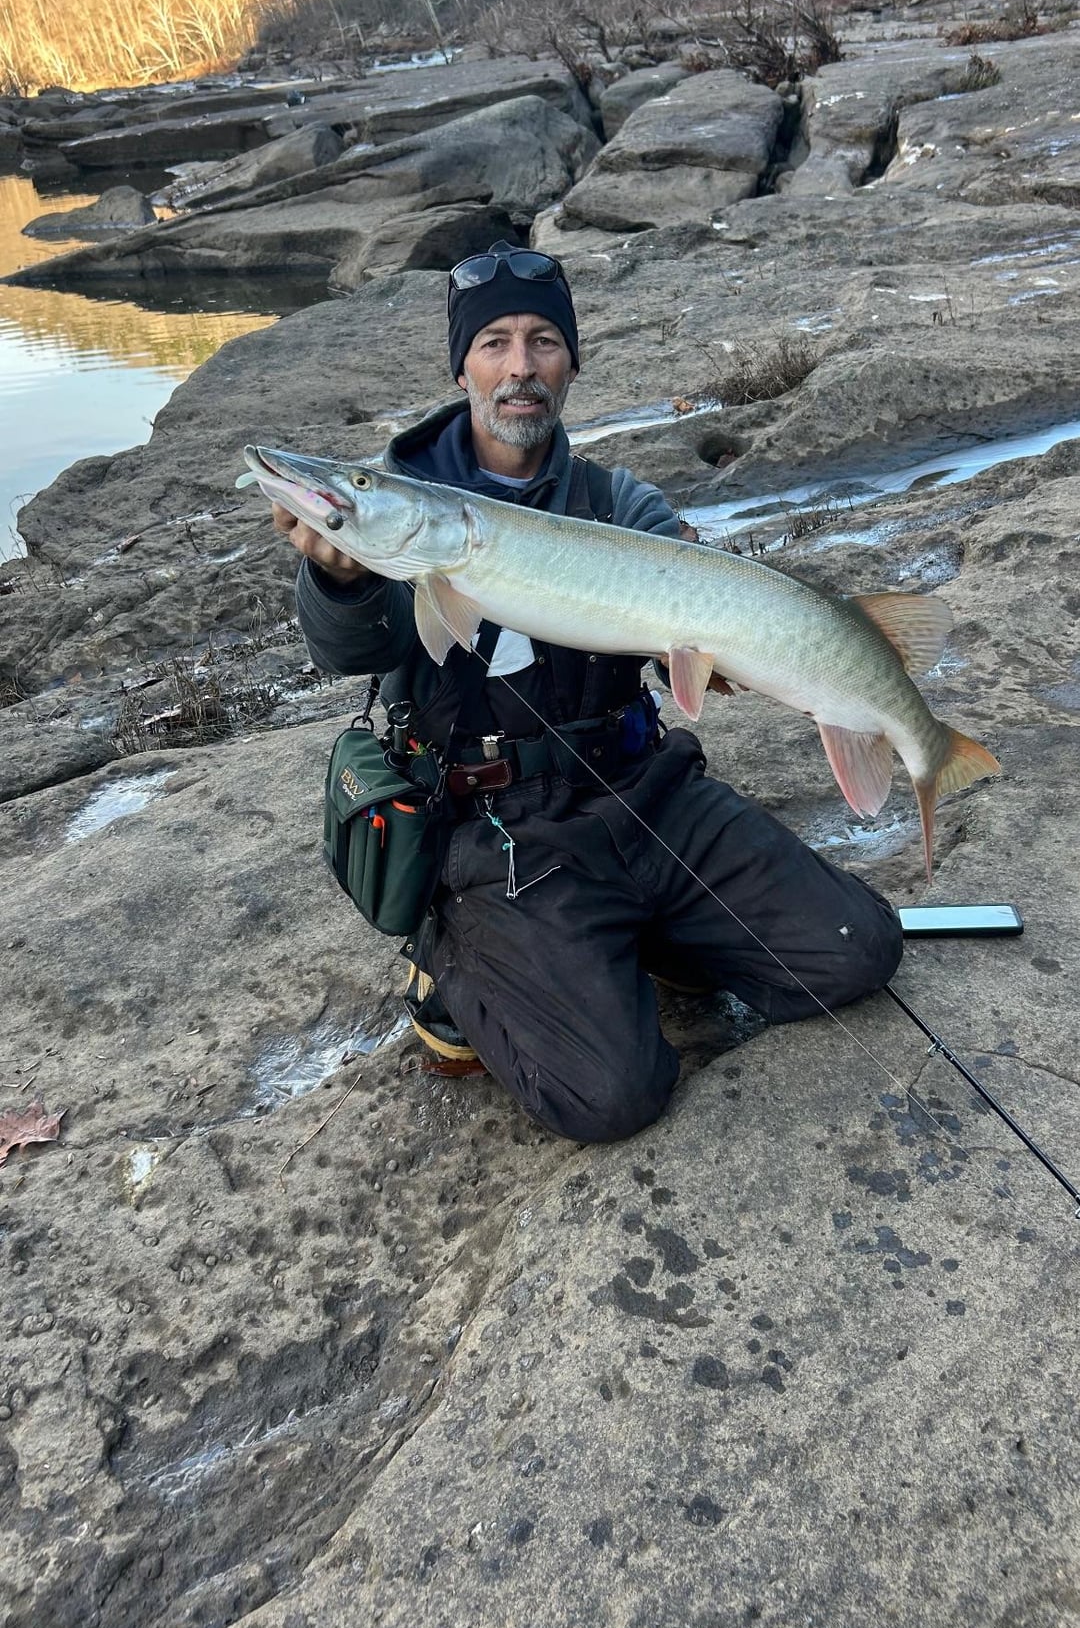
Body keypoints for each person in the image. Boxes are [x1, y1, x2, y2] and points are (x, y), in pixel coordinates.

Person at [273, 242, 903, 1143]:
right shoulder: (396, 506)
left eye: (543, 341)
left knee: (858, 952)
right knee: (612, 1095)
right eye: (493, 343)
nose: (520, 367)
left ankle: (654, 937)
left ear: (571, 362)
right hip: (499, 836)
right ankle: (451, 966)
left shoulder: (620, 502)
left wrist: (736, 658)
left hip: (644, 794)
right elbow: (350, 650)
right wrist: (337, 579)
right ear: (462, 367)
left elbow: (700, 621)